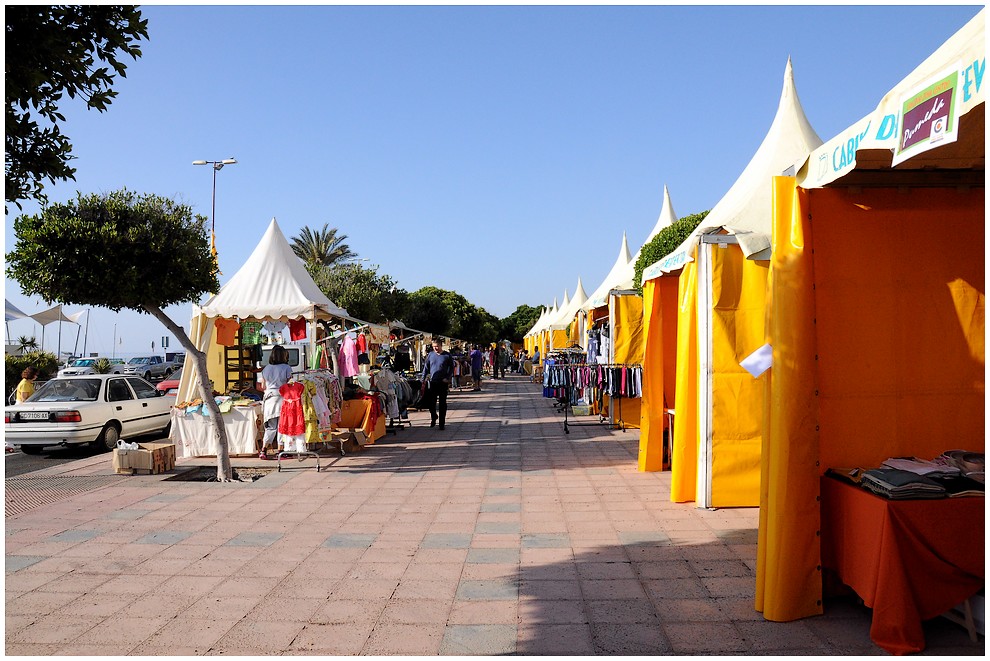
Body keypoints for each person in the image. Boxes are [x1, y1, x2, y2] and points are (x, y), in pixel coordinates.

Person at [256, 345, 293, 458]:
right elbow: (290, 383)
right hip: (282, 397)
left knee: (270, 426)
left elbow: (263, 385)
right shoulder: (286, 368)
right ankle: (280, 451)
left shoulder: (266, 368)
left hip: (269, 398)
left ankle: (264, 450)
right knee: (282, 426)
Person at [421, 339, 454, 429]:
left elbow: (452, 367)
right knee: (431, 403)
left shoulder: (447, 355)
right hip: (433, 382)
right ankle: (434, 416)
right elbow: (426, 367)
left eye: (437, 346)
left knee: (442, 403)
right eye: (434, 346)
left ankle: (441, 423)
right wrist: (423, 379)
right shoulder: (431, 355)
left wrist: (447, 378)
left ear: (440, 346)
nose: (435, 348)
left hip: (443, 383)